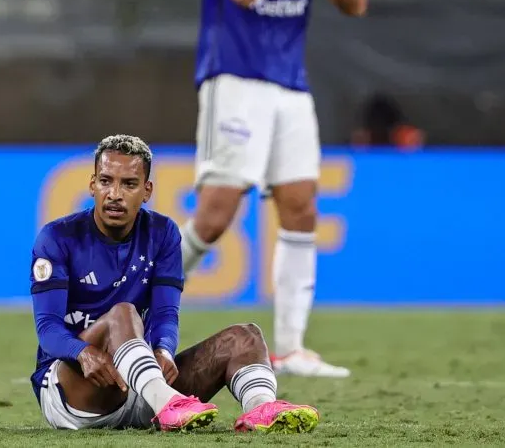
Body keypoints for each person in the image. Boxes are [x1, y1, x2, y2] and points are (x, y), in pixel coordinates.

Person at [179, 0, 368, 378]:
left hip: (290, 87)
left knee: (302, 207)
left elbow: (353, 2)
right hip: (234, 81)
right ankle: (134, 305)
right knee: (216, 215)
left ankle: (289, 348)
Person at [30, 134, 320, 433]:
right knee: (123, 314)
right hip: (75, 391)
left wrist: (164, 352)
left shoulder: (162, 233)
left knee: (246, 337)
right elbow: (48, 328)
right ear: (92, 185)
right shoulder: (58, 237)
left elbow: (166, 314)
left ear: (147, 190)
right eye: (106, 181)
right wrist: (82, 352)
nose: (114, 194)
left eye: (128, 184)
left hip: (140, 382)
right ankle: (166, 402)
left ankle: (261, 409)